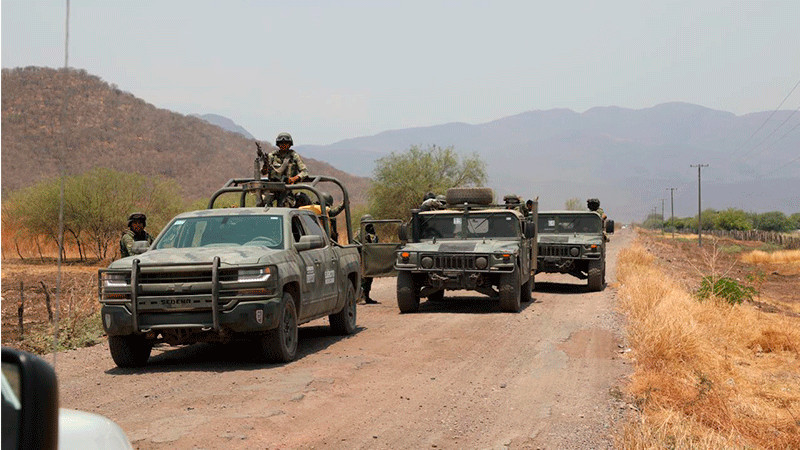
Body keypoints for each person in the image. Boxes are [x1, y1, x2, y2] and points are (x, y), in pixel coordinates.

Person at [356, 214, 379, 304]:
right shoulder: (359, 233)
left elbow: (375, 242)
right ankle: (361, 297)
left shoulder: (371, 231)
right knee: (363, 278)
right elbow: (357, 244)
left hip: (369, 258)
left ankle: (367, 296)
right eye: (368, 224)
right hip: (361, 257)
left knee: (369, 278)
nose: (370, 226)